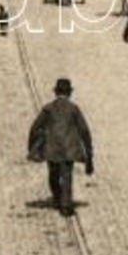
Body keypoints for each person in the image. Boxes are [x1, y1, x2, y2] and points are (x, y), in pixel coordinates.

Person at [27, 77, 94, 217]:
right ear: (69, 93)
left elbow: (34, 128)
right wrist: (89, 153)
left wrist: (31, 146)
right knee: (67, 176)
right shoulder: (74, 109)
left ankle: (58, 197)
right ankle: (66, 205)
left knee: (53, 175)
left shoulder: (48, 108)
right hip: (69, 148)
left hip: (51, 149)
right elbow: (84, 131)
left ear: (56, 92)